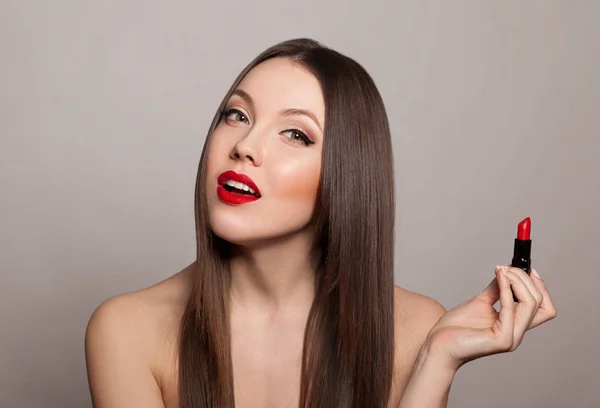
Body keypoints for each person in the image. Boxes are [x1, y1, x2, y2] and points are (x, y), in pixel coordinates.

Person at [84, 38, 557, 408]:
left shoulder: (416, 330)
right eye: (237, 114)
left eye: (295, 133)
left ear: (346, 174)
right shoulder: (128, 331)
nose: (245, 145)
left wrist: (437, 361)